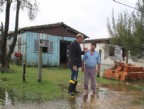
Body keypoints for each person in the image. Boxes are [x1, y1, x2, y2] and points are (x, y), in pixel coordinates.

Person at [68, 33, 84, 97]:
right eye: (81, 39)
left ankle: (74, 89)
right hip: (74, 65)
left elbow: (79, 53)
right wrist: (74, 65)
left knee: (75, 78)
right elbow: (72, 56)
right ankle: (69, 91)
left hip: (77, 64)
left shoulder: (78, 44)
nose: (82, 40)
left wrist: (84, 52)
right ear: (78, 38)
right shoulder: (73, 44)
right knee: (73, 77)